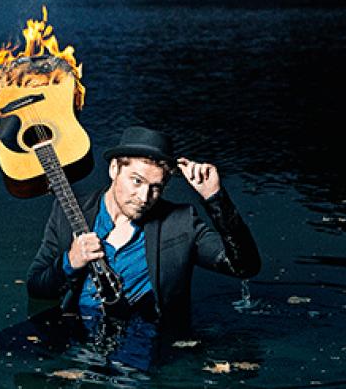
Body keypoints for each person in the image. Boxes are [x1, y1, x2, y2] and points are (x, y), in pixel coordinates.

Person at [26, 125, 261, 334]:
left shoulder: (180, 223)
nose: (144, 197)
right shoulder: (69, 212)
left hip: (145, 340)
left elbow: (244, 267)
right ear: (114, 170)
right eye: (136, 181)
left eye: (155, 187)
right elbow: (37, 286)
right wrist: (71, 260)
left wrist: (215, 198)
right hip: (75, 334)